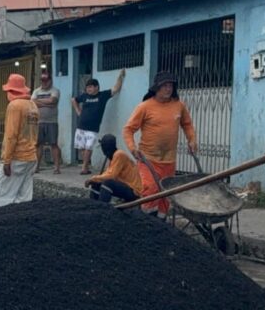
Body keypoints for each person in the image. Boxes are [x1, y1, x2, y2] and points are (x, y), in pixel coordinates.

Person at [122, 71, 197, 217]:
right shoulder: (145, 107)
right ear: (157, 88)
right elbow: (128, 130)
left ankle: (162, 224)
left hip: (169, 160)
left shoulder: (178, 106)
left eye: (170, 86)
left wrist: (192, 140)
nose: (168, 89)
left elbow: (187, 124)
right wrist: (132, 148)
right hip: (148, 159)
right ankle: (146, 221)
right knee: (150, 189)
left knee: (166, 195)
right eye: (165, 86)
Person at [0, 73, 39, 208]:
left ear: (11, 91)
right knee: (24, 197)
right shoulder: (32, 105)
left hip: (17, 157)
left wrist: (7, 160)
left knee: (0, 195)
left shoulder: (15, 106)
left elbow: (11, 135)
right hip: (31, 157)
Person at [71, 69, 125, 175]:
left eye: (91, 87)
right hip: (81, 126)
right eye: (87, 87)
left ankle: (84, 168)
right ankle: (85, 166)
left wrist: (120, 77)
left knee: (88, 147)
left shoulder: (102, 95)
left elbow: (115, 89)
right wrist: (78, 111)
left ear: (96, 87)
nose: (89, 89)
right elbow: (74, 100)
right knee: (81, 147)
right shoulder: (84, 96)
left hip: (93, 128)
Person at [85, 134, 143, 203]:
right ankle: (93, 206)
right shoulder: (114, 157)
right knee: (96, 183)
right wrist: (95, 180)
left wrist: (93, 178)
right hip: (127, 186)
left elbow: (111, 175)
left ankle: (102, 208)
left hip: (134, 191)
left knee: (108, 183)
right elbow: (107, 174)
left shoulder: (119, 155)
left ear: (105, 149)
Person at [32, 70, 62, 174]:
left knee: (53, 144)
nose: (44, 82)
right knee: (38, 144)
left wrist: (40, 103)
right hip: (39, 121)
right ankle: (37, 167)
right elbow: (33, 103)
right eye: (42, 80)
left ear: (50, 80)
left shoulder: (55, 90)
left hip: (52, 121)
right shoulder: (36, 91)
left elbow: (53, 101)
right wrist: (47, 104)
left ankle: (56, 167)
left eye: (46, 80)